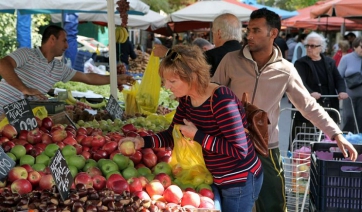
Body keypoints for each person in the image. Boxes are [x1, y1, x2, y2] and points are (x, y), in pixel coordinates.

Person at [211, 8, 358, 212]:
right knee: (227, 202)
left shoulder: (285, 70)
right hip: (229, 144)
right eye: (248, 30)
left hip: (266, 147)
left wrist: (336, 133)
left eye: (256, 30)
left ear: (273, 33)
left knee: (274, 204)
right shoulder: (231, 60)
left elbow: (307, 105)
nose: (249, 35)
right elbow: (212, 96)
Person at [120, 44, 263, 212]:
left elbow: (240, 150)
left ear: (192, 76)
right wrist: (141, 142)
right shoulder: (187, 101)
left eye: (172, 81)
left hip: (239, 181)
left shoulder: (221, 100)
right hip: (216, 177)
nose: (167, 86)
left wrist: (198, 136)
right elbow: (172, 135)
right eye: (165, 80)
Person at [0, 25, 134, 116]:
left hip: (20, 118)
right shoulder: (27, 54)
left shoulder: (58, 67)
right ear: (52, 39)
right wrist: (25, 89)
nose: (67, 45)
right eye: (64, 41)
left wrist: (115, 78)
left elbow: (87, 78)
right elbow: (3, 64)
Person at [293, 32, 348, 142]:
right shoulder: (300, 63)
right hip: (309, 107)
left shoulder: (329, 62)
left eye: (312, 46)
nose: (309, 48)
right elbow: (299, 82)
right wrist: (310, 93)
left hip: (329, 106)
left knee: (327, 139)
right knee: (306, 140)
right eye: (307, 45)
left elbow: (338, 79)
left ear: (321, 47)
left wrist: (342, 91)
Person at [153, 13, 242, 77]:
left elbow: (185, 66)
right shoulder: (247, 53)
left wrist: (167, 53)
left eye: (213, 32)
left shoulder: (213, 55)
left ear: (218, 33)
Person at [338, 36, 362, 133]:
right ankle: (347, 142)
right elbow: (339, 76)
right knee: (348, 118)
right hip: (349, 95)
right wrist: (340, 91)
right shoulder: (346, 58)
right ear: (355, 46)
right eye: (361, 46)